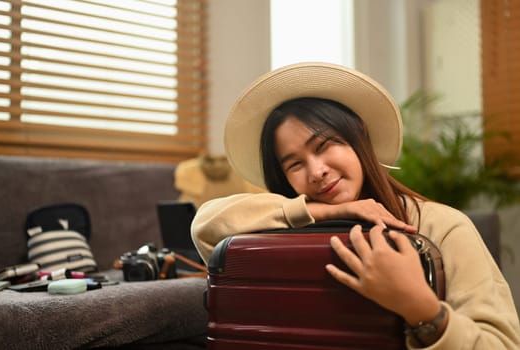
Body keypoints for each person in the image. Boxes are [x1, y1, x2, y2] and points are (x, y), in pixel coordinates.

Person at [191, 62, 520, 349]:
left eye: (324, 144)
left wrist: (422, 310)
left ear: (358, 137)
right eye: (294, 164)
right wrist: (331, 212)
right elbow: (205, 227)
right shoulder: (286, 229)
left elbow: (501, 344)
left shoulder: (442, 226)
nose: (317, 171)